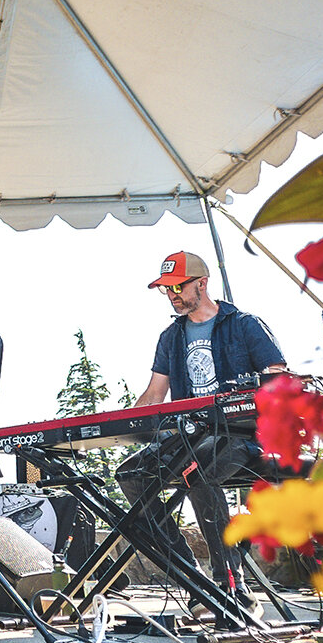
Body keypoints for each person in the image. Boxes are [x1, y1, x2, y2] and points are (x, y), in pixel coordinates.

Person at [123, 250, 286, 596]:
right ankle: (188, 571)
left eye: (178, 287)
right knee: (131, 475)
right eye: (166, 289)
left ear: (202, 283)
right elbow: (155, 393)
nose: (172, 295)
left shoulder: (245, 325)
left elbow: (278, 381)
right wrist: (119, 425)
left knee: (198, 469)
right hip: (189, 436)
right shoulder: (171, 337)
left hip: (242, 437)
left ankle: (229, 584)